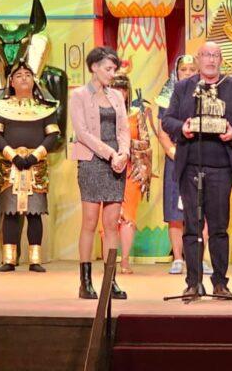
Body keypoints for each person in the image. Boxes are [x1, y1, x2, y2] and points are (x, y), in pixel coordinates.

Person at [161, 41, 232, 301]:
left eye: (215, 55)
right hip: (191, 165)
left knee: (218, 228)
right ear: (199, 59)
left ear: (220, 60)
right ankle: (193, 283)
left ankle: (220, 283)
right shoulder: (184, 87)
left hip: (222, 168)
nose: (211, 60)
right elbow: (167, 120)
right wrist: (183, 127)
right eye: (206, 55)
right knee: (191, 226)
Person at [68, 47, 129, 300]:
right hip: (93, 161)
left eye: (114, 69)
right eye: (108, 69)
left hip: (117, 164)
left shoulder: (116, 96)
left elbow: (123, 129)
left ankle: (110, 280)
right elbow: (82, 133)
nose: (112, 74)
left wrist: (123, 153)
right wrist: (110, 153)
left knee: (112, 224)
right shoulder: (79, 95)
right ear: (94, 67)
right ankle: (85, 282)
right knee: (90, 222)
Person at [0, 61, 60, 273]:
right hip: (10, 166)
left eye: (27, 74)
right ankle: (9, 260)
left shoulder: (45, 108)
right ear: (11, 82)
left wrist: (35, 156)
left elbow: (53, 135)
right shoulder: (1, 108)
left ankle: (35, 260)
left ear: (34, 80)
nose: (24, 78)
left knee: (35, 213)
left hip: (36, 167)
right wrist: (12, 155)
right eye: (18, 75)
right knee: (10, 213)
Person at [154, 55, 207, 275]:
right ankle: (177, 258)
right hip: (175, 157)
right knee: (175, 211)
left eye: (192, 69)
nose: (188, 73)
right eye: (184, 69)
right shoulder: (167, 97)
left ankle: (200, 259)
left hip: (201, 157)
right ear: (177, 72)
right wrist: (175, 153)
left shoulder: (207, 94)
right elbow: (162, 131)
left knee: (202, 209)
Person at [112, 69, 154, 275]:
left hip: (131, 169)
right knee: (109, 216)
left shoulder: (136, 115)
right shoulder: (101, 113)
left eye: (123, 88)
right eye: (115, 88)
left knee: (128, 216)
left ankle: (125, 260)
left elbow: (146, 142)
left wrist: (127, 145)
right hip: (107, 169)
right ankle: (109, 261)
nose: (120, 92)